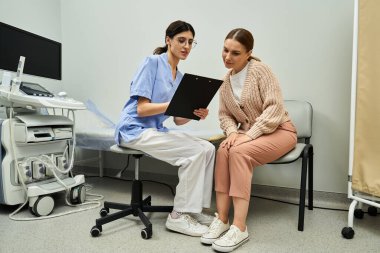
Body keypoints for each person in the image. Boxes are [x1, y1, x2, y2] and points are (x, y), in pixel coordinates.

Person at [114, 20, 215, 237]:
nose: (186, 46)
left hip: (155, 130)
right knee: (194, 152)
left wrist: (195, 114)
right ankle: (178, 217)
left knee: (208, 148)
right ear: (168, 40)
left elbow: (178, 120)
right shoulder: (151, 63)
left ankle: (193, 210)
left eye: (190, 42)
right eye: (181, 40)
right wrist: (171, 106)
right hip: (134, 129)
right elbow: (142, 109)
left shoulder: (179, 77)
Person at [200, 28, 297, 252]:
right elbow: (224, 114)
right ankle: (223, 219)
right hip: (248, 133)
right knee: (223, 149)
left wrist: (249, 135)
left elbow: (275, 108)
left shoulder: (261, 70)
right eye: (225, 50)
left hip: (281, 131)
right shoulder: (225, 81)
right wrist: (233, 133)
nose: (227, 57)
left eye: (235, 53)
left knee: (239, 152)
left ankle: (239, 227)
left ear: (248, 53)